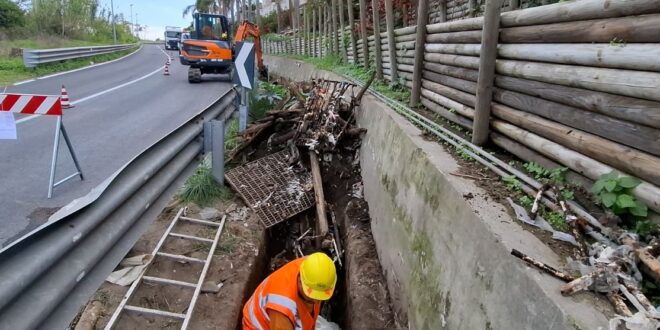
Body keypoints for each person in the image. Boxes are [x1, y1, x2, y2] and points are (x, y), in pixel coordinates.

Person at [242, 252, 337, 330]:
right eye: (312, 296)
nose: (316, 301)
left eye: (320, 297)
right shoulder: (282, 309)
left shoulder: (312, 268)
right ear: (300, 281)